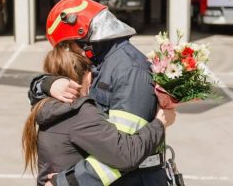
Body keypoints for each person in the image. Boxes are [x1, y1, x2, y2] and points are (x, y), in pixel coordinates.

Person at [29, 0, 176, 186]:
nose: (68, 52)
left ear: (83, 37)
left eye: (67, 45)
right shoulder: (102, 64)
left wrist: (65, 182)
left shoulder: (129, 70)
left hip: (136, 179)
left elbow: (123, 154)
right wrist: (48, 83)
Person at [22, 47, 173, 186]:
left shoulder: (45, 106)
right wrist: (160, 123)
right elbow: (126, 155)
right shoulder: (79, 113)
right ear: (87, 76)